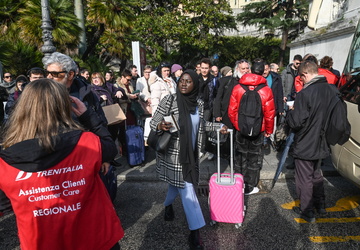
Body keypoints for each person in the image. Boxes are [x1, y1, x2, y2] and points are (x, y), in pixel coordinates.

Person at [0, 78, 124, 249]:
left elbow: (4, 204)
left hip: (41, 242)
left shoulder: (4, 162)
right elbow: (111, 148)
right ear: (63, 107)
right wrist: (88, 116)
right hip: (95, 238)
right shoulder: (86, 142)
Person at [149, 69, 227, 249]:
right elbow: (154, 121)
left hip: (191, 154)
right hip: (174, 155)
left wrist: (218, 126)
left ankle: (167, 205)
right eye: (181, 80)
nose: (183, 84)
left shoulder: (198, 104)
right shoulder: (169, 100)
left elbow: (201, 125)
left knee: (175, 187)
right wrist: (161, 125)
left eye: (188, 81)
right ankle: (195, 232)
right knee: (188, 189)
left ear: (195, 85)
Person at [286, 60, 334, 223]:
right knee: (316, 174)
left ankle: (307, 210)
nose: (301, 81)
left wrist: (290, 112)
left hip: (306, 141)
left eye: (301, 77)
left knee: (304, 177)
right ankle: (320, 205)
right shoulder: (331, 90)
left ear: (306, 74)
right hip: (322, 139)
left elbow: (295, 122)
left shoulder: (305, 94)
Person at [228, 61, 275, 195]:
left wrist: (237, 125)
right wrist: (269, 131)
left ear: (251, 70)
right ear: (263, 72)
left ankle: (238, 182)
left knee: (240, 156)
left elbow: (231, 110)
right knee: (254, 157)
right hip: (258, 129)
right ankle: (250, 185)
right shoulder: (266, 90)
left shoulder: (238, 87)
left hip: (241, 128)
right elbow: (270, 114)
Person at [43, 52, 107, 126]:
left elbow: (101, 123)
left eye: (54, 74)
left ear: (70, 75)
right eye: (47, 73)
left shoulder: (87, 94)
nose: (49, 77)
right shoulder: (40, 94)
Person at [213, 59, 250, 129]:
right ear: (237, 69)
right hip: (227, 114)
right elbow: (218, 98)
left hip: (244, 116)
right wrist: (217, 114)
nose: (245, 71)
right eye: (243, 69)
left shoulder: (251, 83)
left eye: (247, 68)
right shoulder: (226, 81)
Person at [262, 60, 284, 150]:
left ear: (269, 69)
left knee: (272, 126)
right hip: (261, 106)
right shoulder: (258, 77)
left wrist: (281, 108)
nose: (265, 72)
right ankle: (264, 141)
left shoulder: (276, 78)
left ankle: (269, 139)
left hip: (272, 106)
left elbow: (280, 93)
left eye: (266, 69)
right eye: (263, 69)